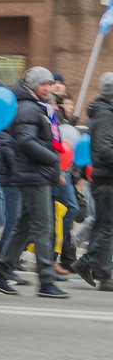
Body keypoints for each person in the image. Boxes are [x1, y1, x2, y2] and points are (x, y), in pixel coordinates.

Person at [0, 67, 68, 298]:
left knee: (24, 226)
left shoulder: (38, 106)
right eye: (42, 84)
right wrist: (53, 159)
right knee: (44, 227)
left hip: (36, 173)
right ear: (32, 86)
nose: (47, 87)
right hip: (34, 174)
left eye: (49, 83)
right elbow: (25, 140)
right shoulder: (28, 107)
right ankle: (46, 281)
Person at [73, 73, 113, 289]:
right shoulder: (106, 115)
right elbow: (104, 149)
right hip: (107, 178)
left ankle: (101, 272)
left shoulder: (104, 112)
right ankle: (91, 265)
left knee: (103, 225)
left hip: (103, 178)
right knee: (107, 227)